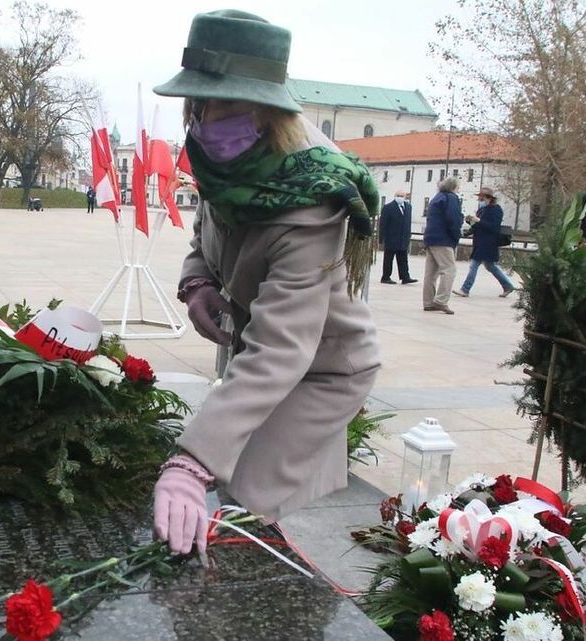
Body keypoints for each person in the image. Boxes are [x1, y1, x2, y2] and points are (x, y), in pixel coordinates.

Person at [148, 9, 380, 557]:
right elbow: (206, 240)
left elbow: (283, 347)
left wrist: (190, 462)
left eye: (227, 102)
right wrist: (198, 283)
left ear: (267, 110)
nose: (208, 118)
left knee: (243, 500)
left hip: (318, 369)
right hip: (256, 350)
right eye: (200, 103)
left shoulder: (313, 195)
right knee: (227, 500)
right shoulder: (222, 164)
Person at [453, 187, 517, 298]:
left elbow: (494, 228)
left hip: (488, 243)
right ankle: (508, 286)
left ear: (489, 199)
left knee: (474, 265)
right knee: (491, 266)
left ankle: (465, 289)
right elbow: (477, 226)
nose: (480, 201)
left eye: (482, 199)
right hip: (480, 242)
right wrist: (469, 226)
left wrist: (479, 221)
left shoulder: (496, 210)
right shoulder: (481, 210)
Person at [421, 177, 463, 314]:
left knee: (431, 273)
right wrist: (456, 235)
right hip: (443, 239)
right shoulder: (451, 198)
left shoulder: (437, 198)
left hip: (430, 237)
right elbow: (454, 219)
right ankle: (441, 301)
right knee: (449, 269)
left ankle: (428, 302)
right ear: (453, 187)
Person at [378, 190, 417, 284]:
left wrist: (408, 235)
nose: (400, 197)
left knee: (403, 258)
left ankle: (405, 277)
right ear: (395, 196)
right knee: (388, 259)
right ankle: (386, 276)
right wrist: (381, 238)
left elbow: (408, 223)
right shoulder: (388, 207)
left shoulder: (408, 207)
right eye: (398, 195)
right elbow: (383, 224)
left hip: (403, 238)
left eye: (402, 196)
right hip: (391, 238)